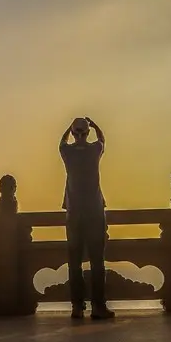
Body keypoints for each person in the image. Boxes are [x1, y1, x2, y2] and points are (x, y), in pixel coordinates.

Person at [60, 116, 113, 320]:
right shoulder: (93, 151)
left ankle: (77, 307)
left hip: (74, 213)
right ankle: (98, 307)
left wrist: (69, 128)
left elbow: (61, 142)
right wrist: (95, 125)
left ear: (73, 133)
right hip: (94, 212)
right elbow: (102, 139)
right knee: (97, 262)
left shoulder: (68, 153)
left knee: (74, 262)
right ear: (87, 132)